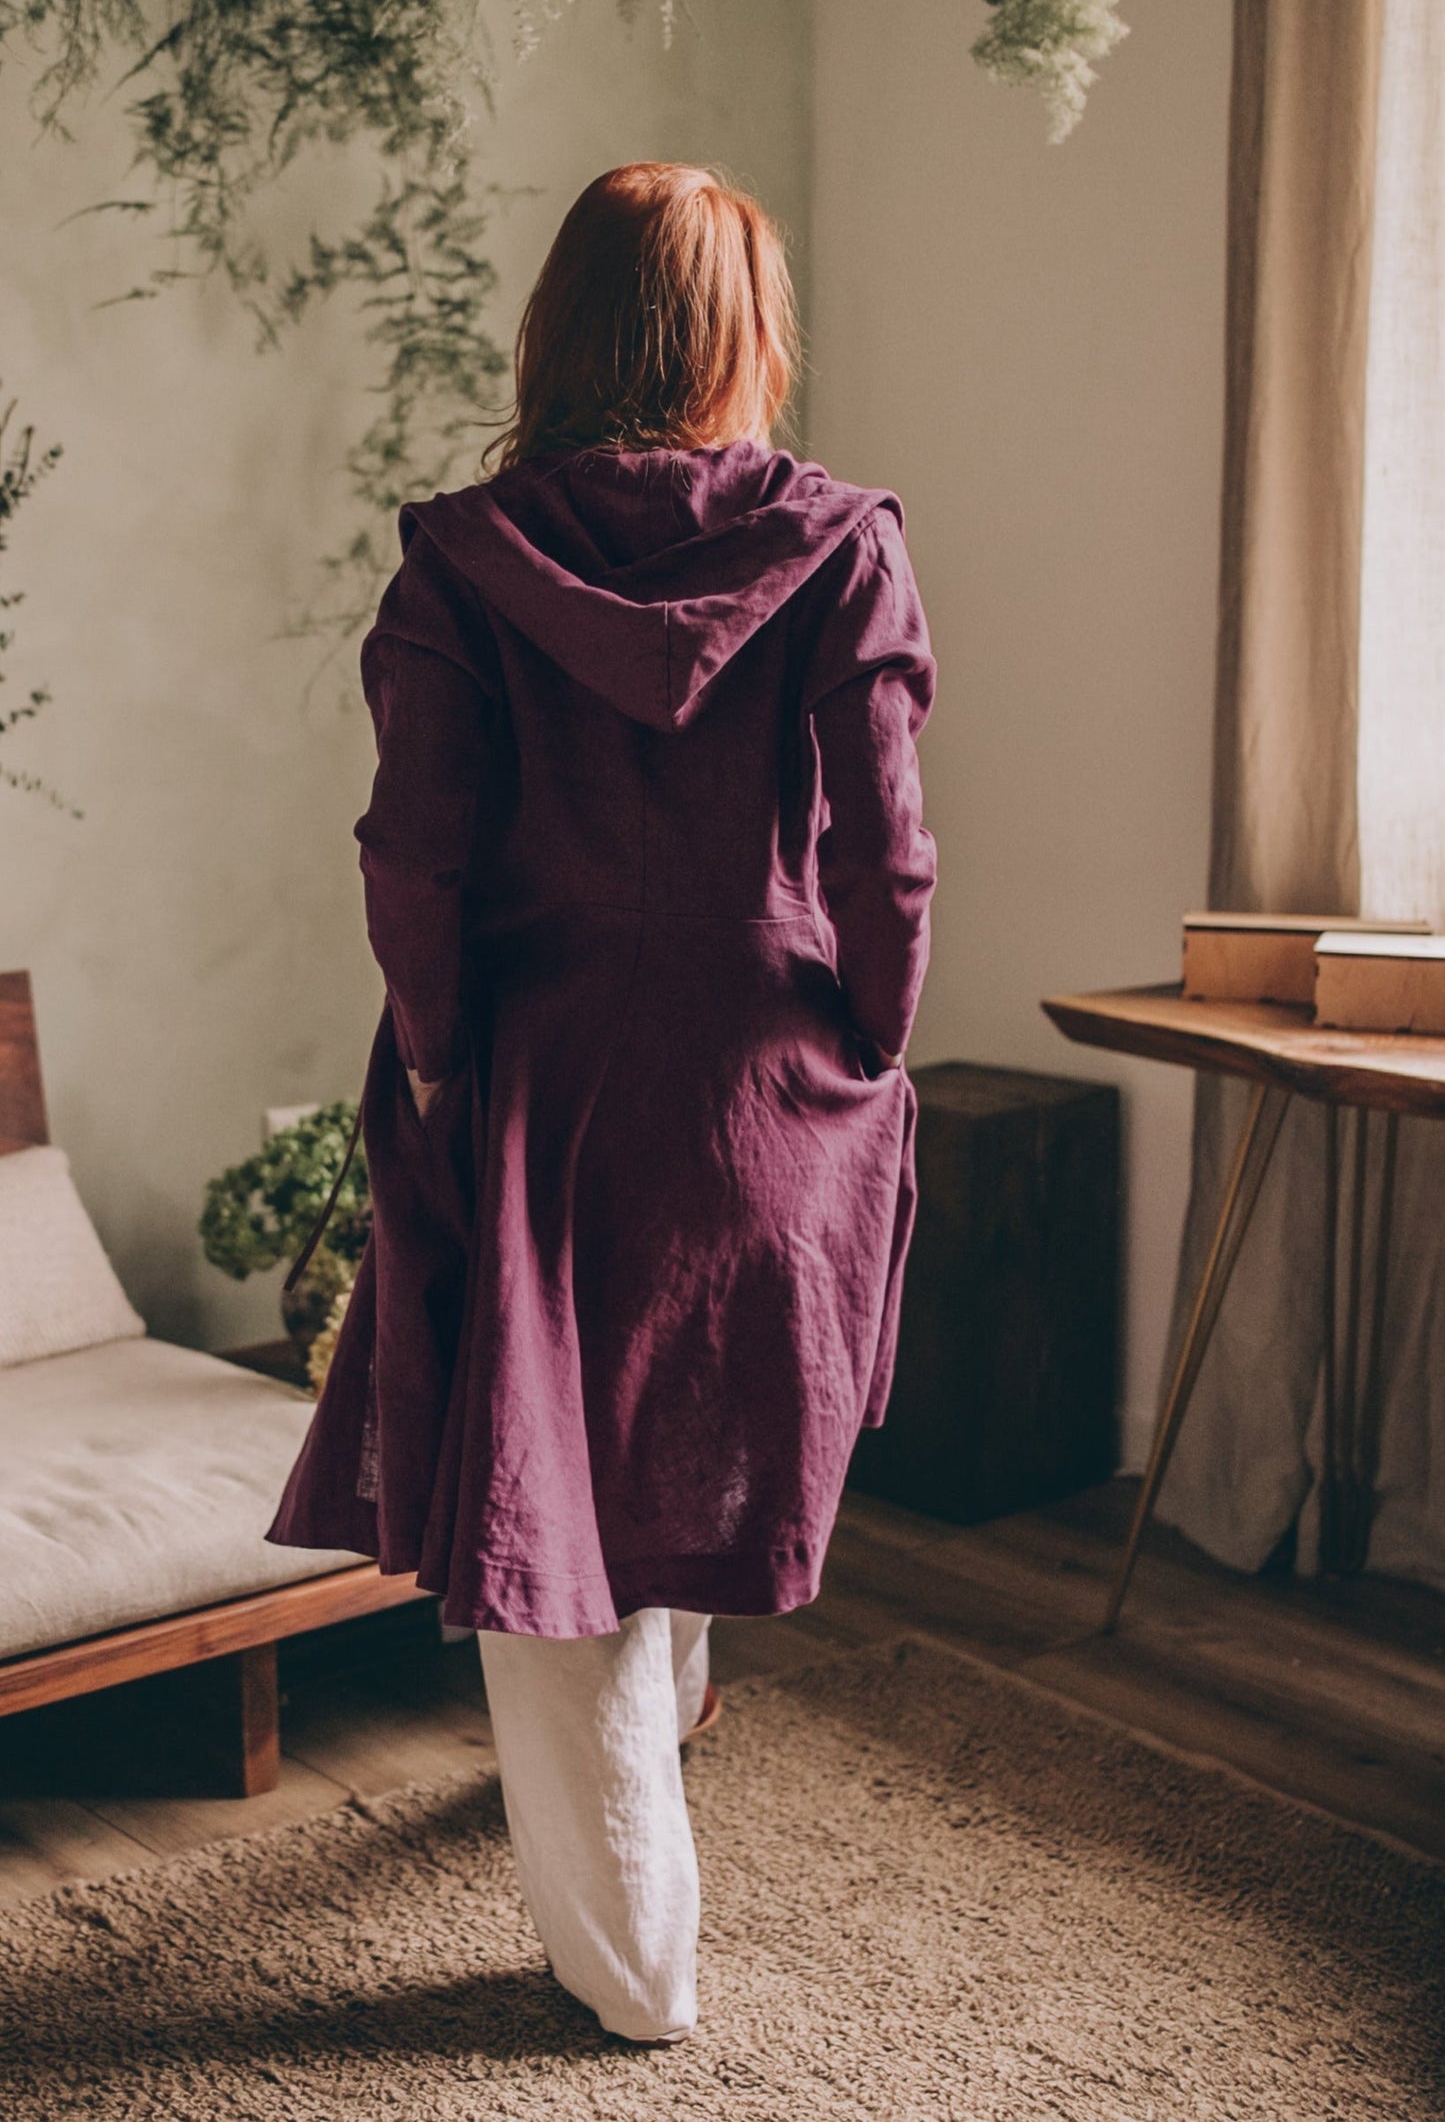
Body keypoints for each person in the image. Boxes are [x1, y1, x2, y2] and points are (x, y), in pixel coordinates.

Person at [267, 160, 938, 2047]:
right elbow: (887, 855)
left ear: (555, 330)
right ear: (743, 336)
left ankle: (635, 1977)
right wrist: (868, 1052)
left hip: (543, 1081)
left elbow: (418, 856)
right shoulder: (840, 537)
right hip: (760, 1081)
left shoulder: (461, 559)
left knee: (546, 1512)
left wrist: (428, 1054)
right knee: (698, 1419)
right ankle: (681, 1707)